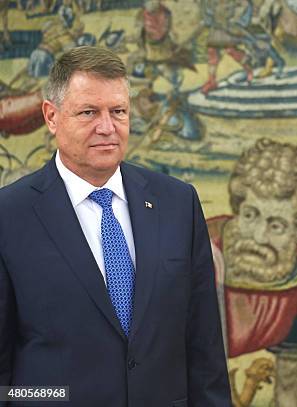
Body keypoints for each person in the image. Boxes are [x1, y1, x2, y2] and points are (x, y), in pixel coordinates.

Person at [0, 46, 231, 407]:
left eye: (118, 112)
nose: (106, 127)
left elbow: (205, 352)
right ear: (51, 116)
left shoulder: (178, 203)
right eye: (89, 112)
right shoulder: (9, 216)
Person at [208, 139, 297, 407]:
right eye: (250, 215)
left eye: (275, 225)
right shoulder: (200, 256)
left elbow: (294, 385)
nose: (257, 236)